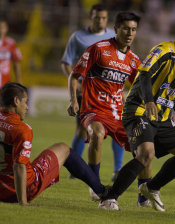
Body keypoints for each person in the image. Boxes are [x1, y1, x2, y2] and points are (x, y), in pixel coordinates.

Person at [98, 23, 175, 211]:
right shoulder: (163, 50)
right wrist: (149, 100)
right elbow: (146, 74)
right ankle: (109, 198)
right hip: (139, 109)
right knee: (146, 153)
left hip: (162, 118)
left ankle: (151, 188)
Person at [68, 12, 152, 206]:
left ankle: (143, 194)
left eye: (133, 30)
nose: (130, 33)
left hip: (118, 114)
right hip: (93, 109)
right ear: (116, 29)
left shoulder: (133, 60)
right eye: (126, 29)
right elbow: (74, 75)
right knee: (96, 133)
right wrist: (73, 101)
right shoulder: (98, 49)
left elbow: (140, 87)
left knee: (144, 147)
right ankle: (94, 183)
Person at [0, 82, 108, 205]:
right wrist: (23, 202)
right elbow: (19, 166)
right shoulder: (22, 129)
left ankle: (99, 189)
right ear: (16, 101)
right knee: (64, 149)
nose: (27, 107)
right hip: (24, 189)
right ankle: (102, 191)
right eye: (25, 102)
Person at [61, 4, 124, 182]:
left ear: (107, 19)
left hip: (109, 93)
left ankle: (118, 169)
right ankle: (75, 168)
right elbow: (66, 62)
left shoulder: (113, 37)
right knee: (82, 130)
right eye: (97, 18)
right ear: (91, 17)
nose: (100, 21)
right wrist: (75, 83)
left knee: (116, 128)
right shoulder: (78, 37)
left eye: (104, 18)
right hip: (86, 91)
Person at [0, 19, 22, 87]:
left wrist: (19, 82)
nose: (1, 29)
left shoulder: (11, 43)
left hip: (5, 85)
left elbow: (16, 63)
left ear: (6, 28)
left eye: (2, 27)